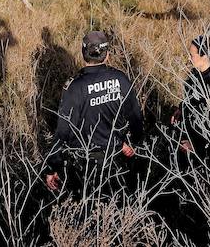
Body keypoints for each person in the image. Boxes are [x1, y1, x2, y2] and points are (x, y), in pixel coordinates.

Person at [45, 31, 143, 196]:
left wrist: (53, 166)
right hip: (116, 157)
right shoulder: (121, 79)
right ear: (107, 54)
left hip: (84, 162)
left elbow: (63, 130)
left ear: (84, 53)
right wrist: (135, 143)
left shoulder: (74, 87)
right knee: (118, 203)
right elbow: (135, 117)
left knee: (87, 206)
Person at [171, 36, 210, 162]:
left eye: (192, 55)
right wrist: (181, 109)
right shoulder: (194, 74)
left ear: (205, 56)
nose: (189, 58)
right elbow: (190, 97)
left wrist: (195, 146)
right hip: (188, 133)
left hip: (204, 147)